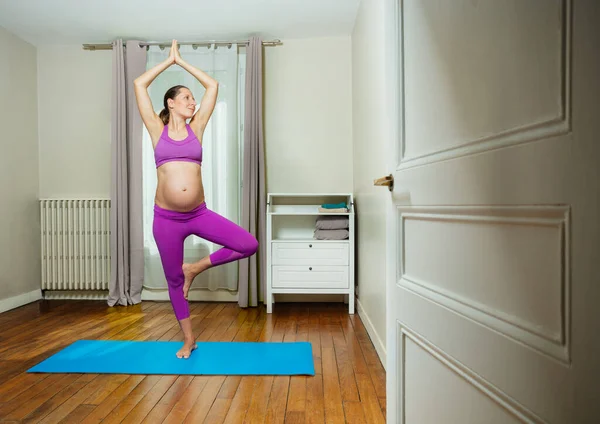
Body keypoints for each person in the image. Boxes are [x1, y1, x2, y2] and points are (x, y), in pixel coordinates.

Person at [133, 39, 258, 359]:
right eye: (186, 98)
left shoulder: (197, 128)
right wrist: (168, 63)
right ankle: (188, 339)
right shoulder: (156, 130)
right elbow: (139, 83)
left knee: (248, 244)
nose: (192, 102)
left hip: (198, 214)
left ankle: (196, 268)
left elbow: (212, 85)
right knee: (173, 278)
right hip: (166, 219)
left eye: (192, 98)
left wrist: (183, 62)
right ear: (171, 103)